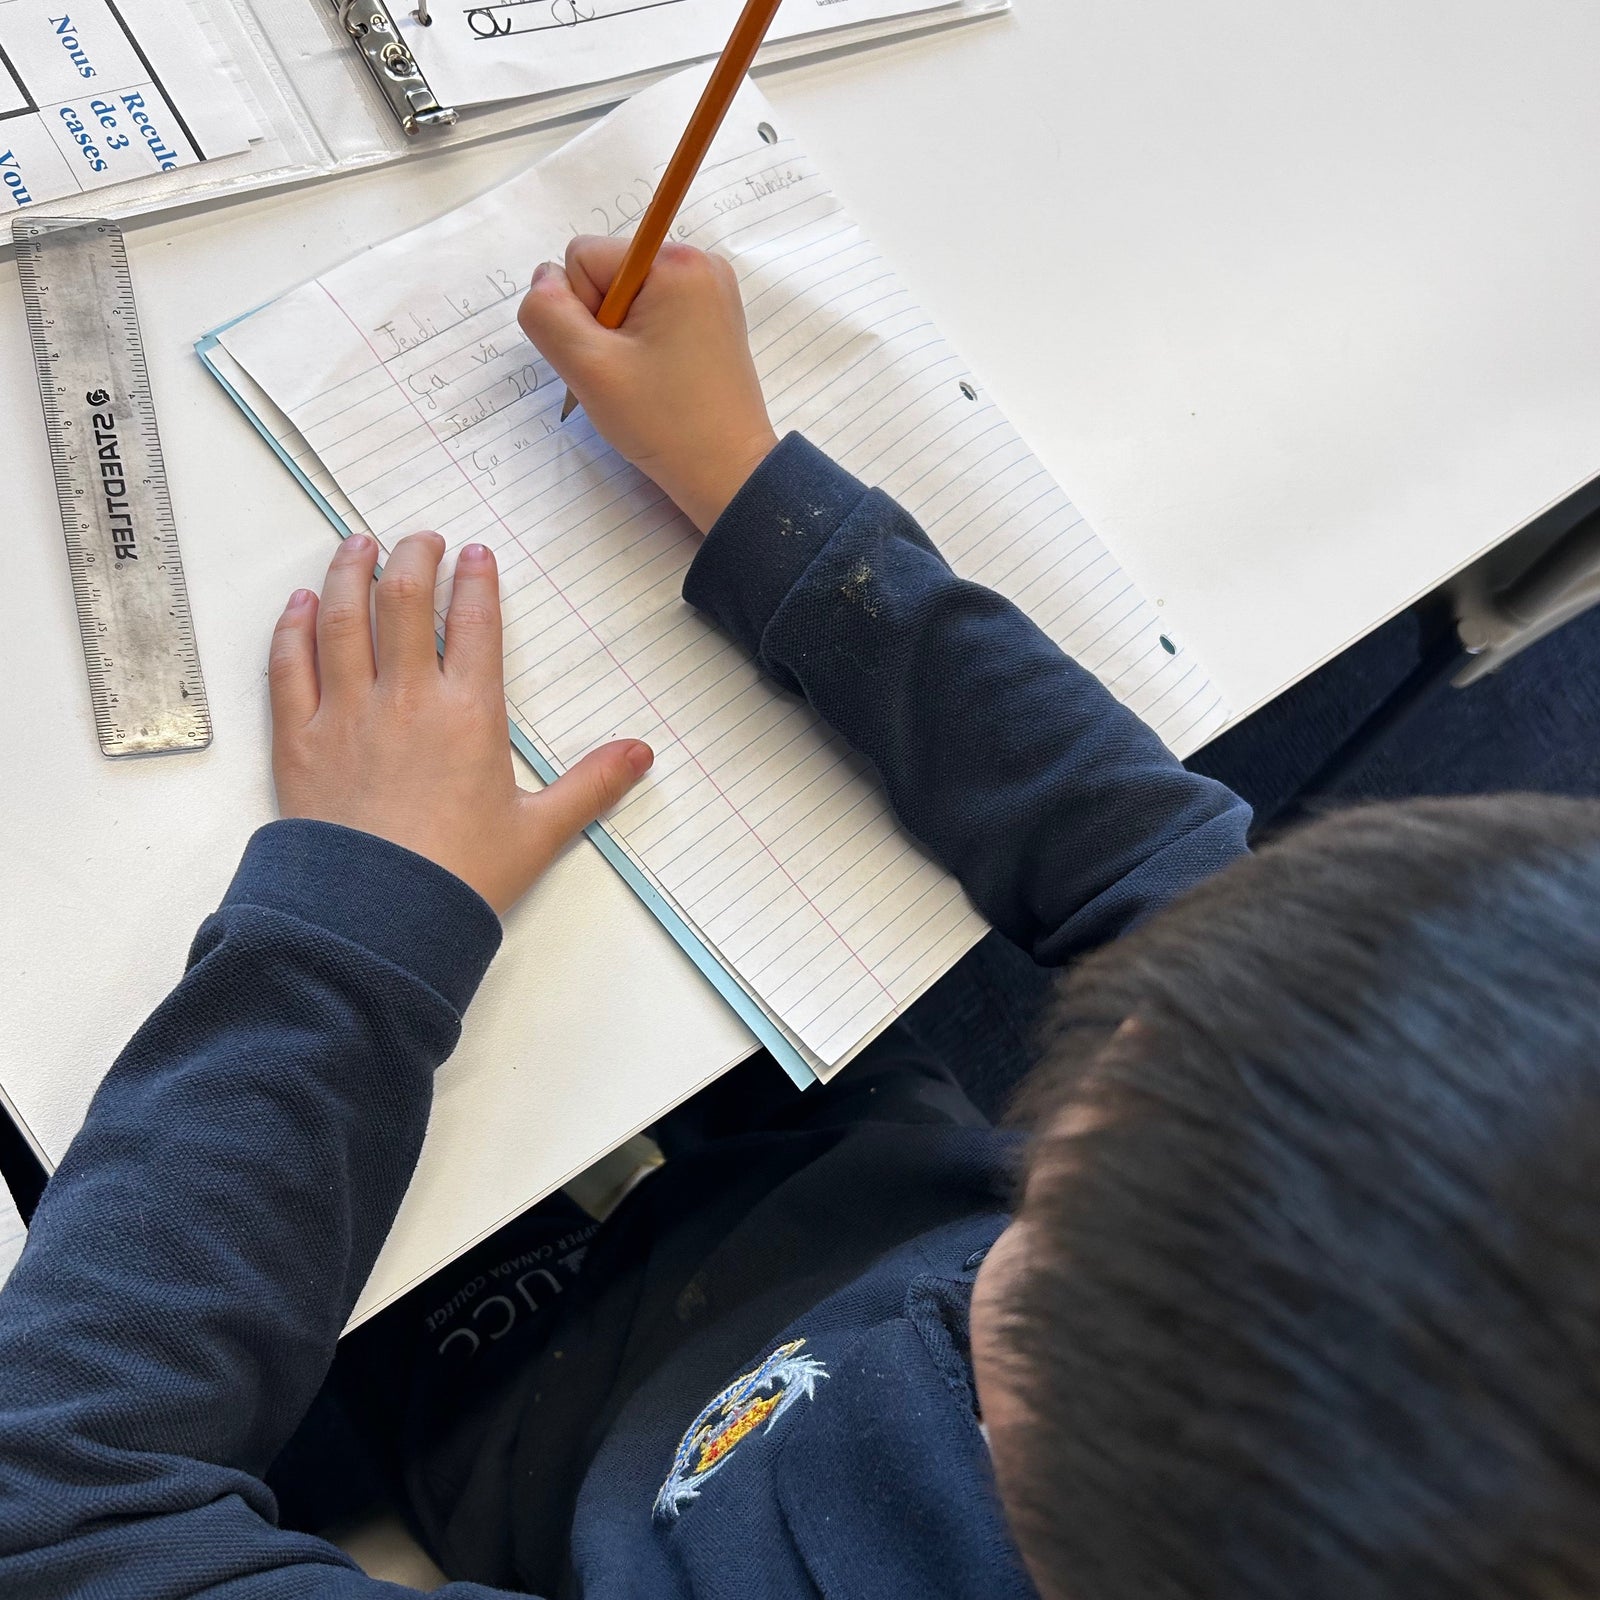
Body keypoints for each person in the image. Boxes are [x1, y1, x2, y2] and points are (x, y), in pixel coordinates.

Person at [2, 237, 1598, 1600]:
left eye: (1060, 1193)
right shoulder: (1384, 1232)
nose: (1151, 1017)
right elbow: (1154, 865)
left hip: (501, 1402)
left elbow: (57, 1513)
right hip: (820, 1182)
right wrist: (767, 508)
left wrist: (357, 920)